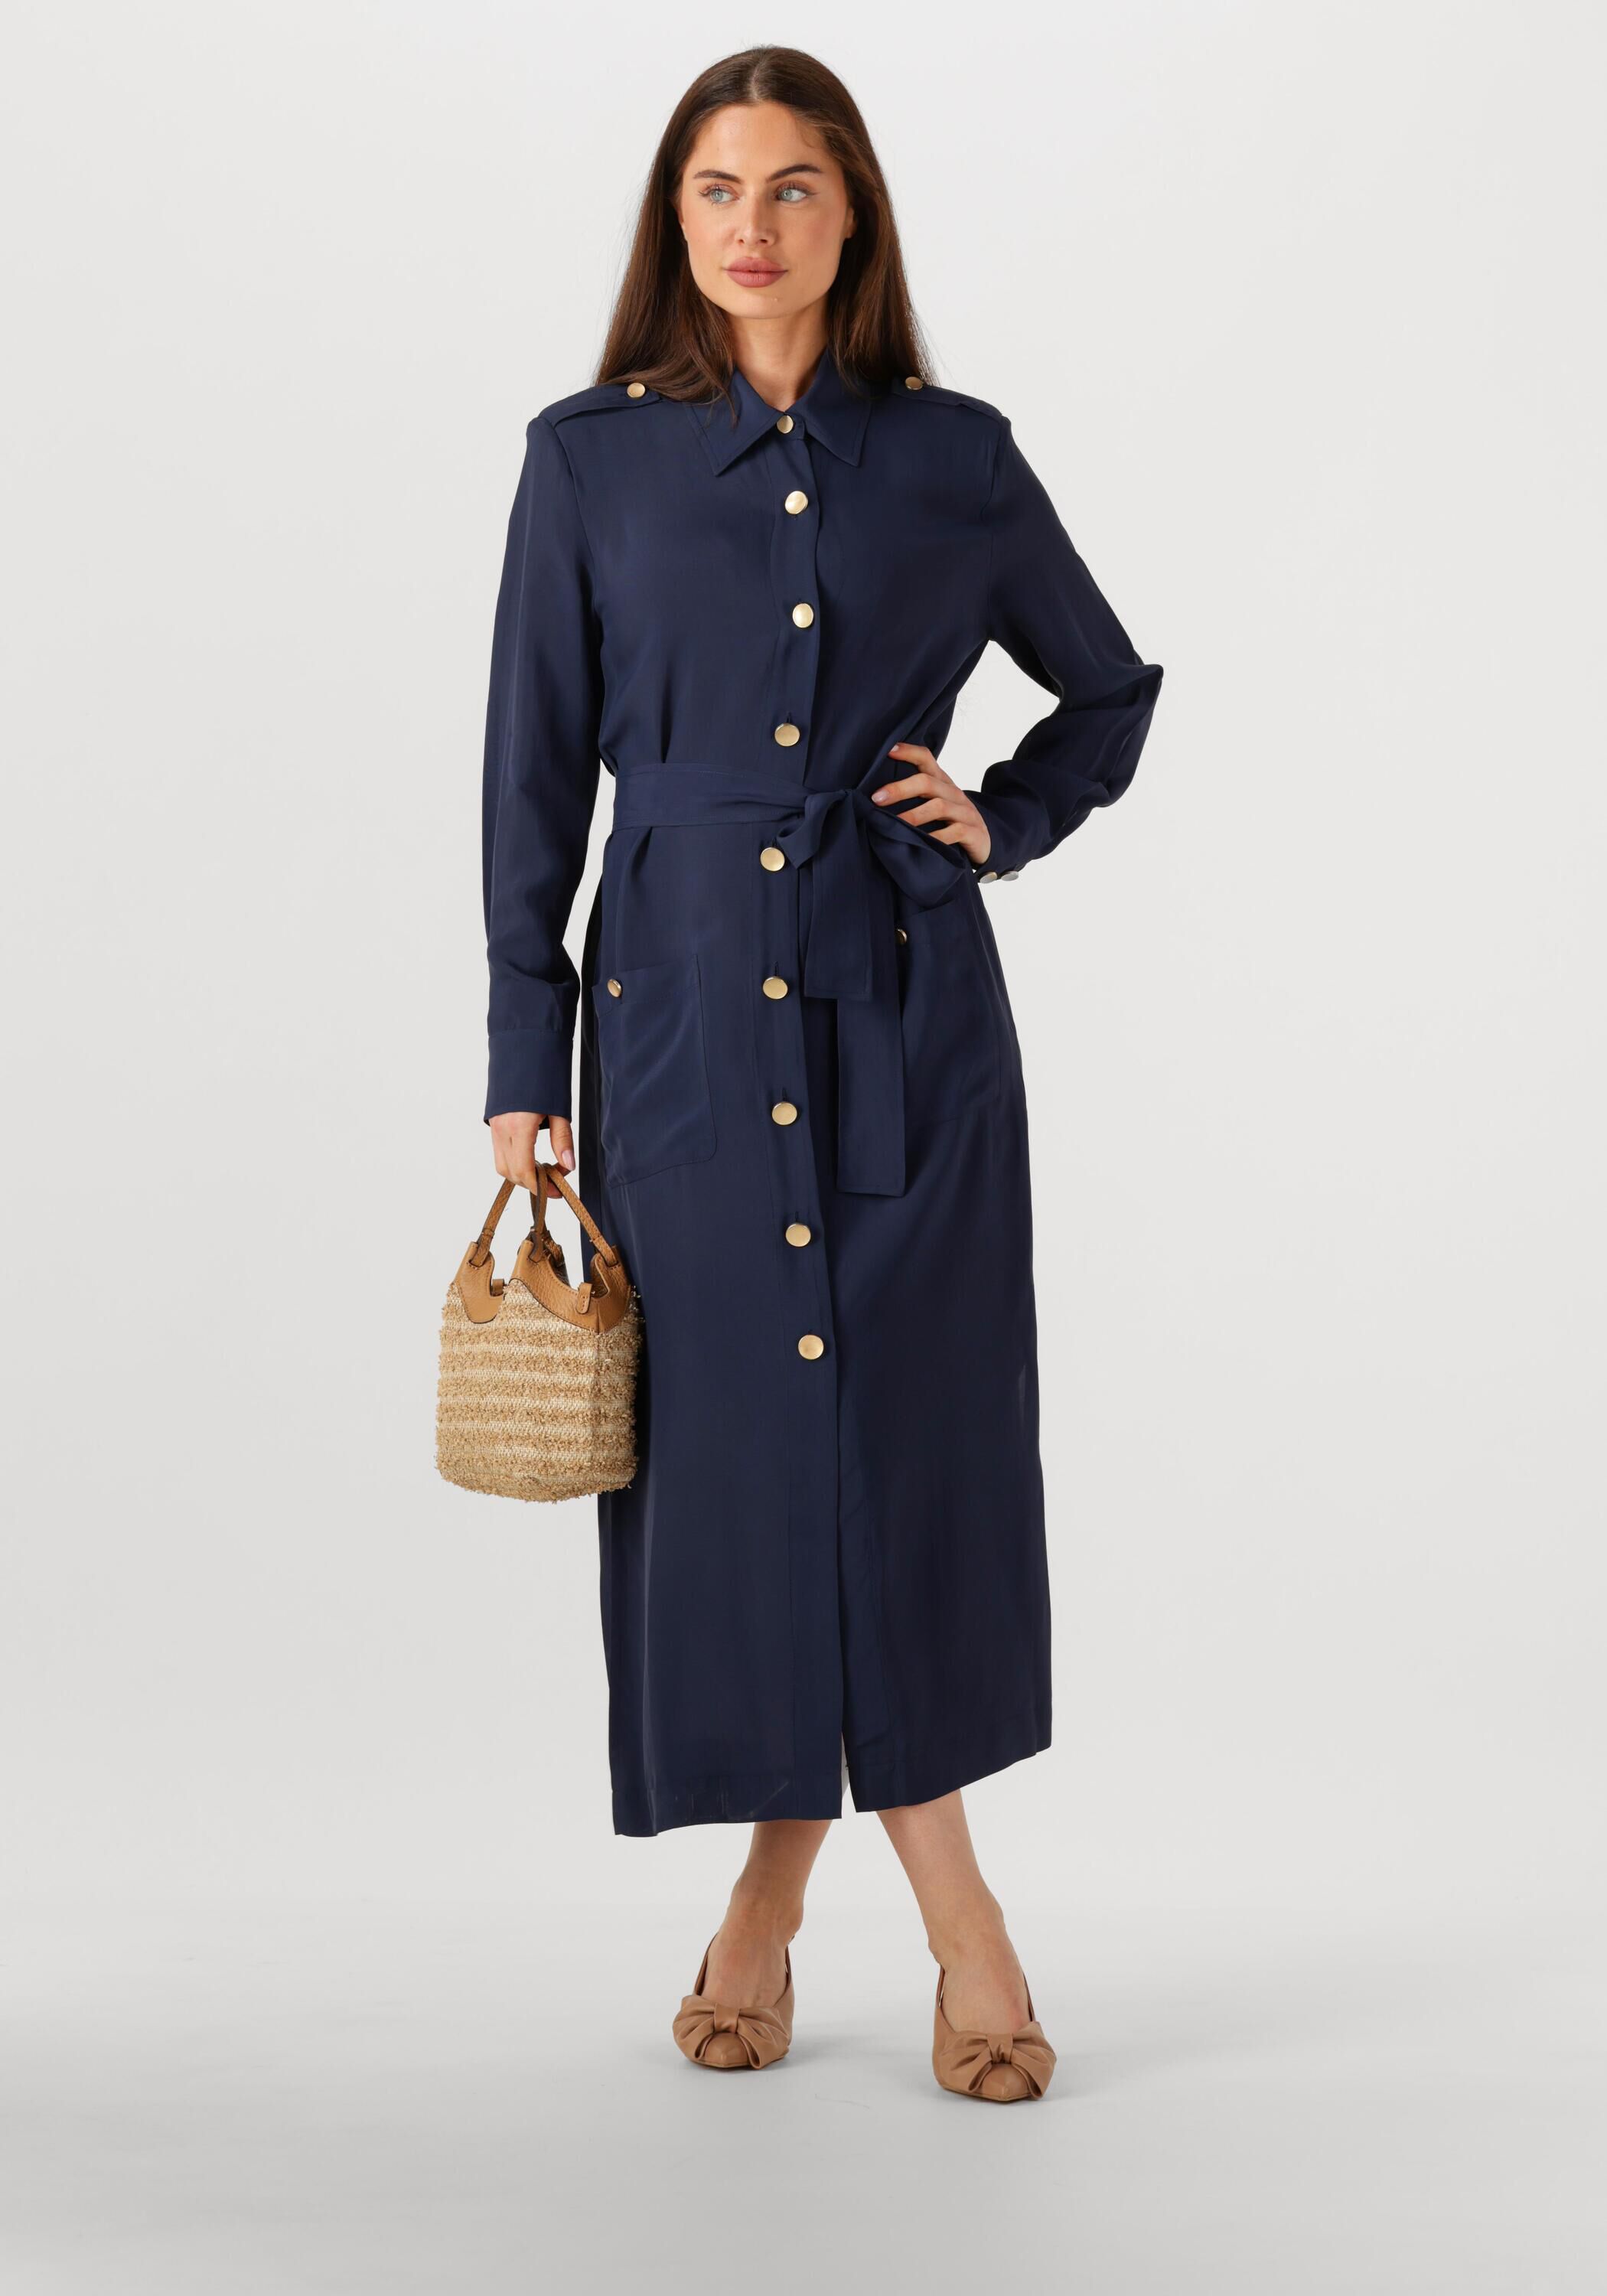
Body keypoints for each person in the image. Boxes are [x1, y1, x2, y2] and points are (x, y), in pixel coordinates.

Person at [478, 44, 1163, 2102]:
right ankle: (890, 1919)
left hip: (905, 1012)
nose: (752, 224)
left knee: (907, 1462)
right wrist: (523, 1053)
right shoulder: (589, 462)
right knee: (739, 1471)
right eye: (716, 189)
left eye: (791, 185)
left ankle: (837, 1920)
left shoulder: (952, 458)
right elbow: (530, 782)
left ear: (851, 212)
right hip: (680, 1021)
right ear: (673, 220)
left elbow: (1108, 689)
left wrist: (1000, 818)